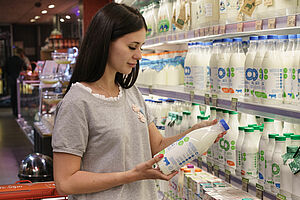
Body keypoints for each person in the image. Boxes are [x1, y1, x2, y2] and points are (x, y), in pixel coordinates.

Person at [52, 3, 226, 200]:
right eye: (132, 47)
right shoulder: (77, 102)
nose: (139, 55)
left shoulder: (130, 92)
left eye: (141, 47)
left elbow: (157, 146)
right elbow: (65, 182)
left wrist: (194, 133)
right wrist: (131, 176)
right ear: (105, 42)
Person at [4, 48, 26, 117]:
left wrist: (8, 75)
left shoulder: (9, 59)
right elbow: (25, 68)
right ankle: (18, 111)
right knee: (18, 95)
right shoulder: (20, 60)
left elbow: (5, 68)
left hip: (11, 78)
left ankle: (14, 110)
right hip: (18, 79)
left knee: (13, 95)